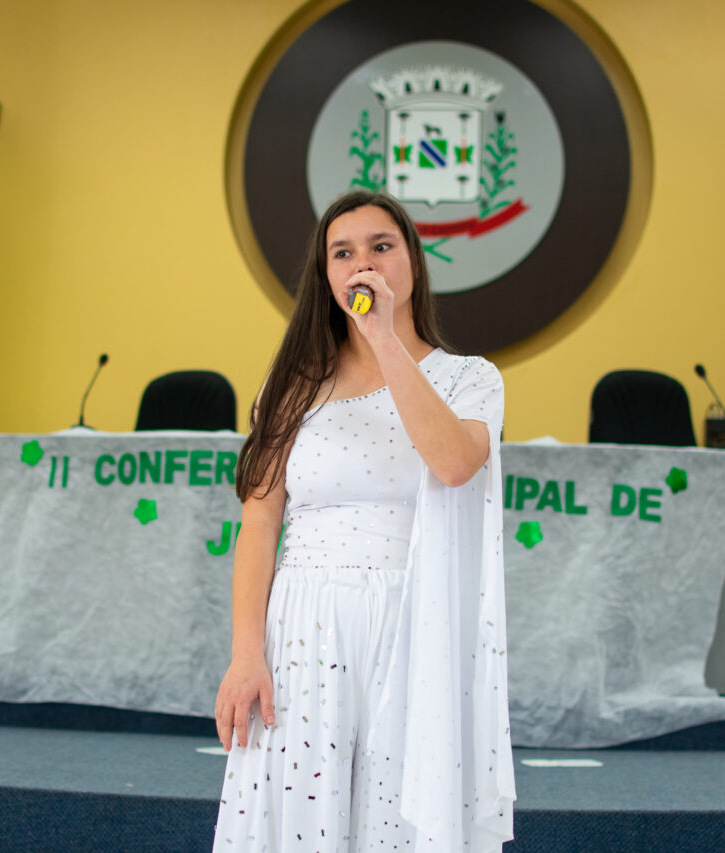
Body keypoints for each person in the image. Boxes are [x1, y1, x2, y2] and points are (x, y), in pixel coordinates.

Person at [212, 191, 515, 852]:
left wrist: (383, 338)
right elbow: (259, 522)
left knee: (395, 820)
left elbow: (455, 461)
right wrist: (244, 652)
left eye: (381, 246)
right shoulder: (292, 385)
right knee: (296, 816)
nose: (361, 263)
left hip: (410, 624)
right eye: (342, 252)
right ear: (325, 275)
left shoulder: (470, 379)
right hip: (301, 626)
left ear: (412, 263)